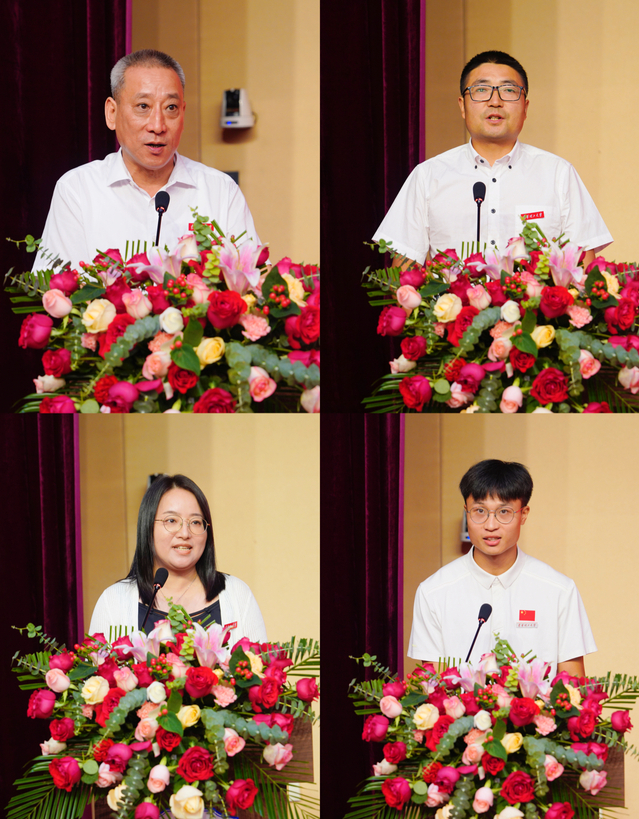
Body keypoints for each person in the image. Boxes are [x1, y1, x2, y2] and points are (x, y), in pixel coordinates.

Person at [373, 50, 612, 267]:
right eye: (481, 90)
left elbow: (584, 272)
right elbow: (403, 279)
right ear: (462, 106)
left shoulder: (559, 174)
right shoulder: (428, 176)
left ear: (525, 107)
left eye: (508, 90)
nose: (495, 101)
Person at [36, 49, 259, 269]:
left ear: (183, 113)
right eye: (143, 107)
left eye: (171, 108)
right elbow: (53, 286)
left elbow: (255, 280)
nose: (158, 126)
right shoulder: (77, 190)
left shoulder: (221, 191)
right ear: (112, 113)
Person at [408, 459, 596, 678]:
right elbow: (433, 686)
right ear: (466, 512)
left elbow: (573, 686)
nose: (491, 525)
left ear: (523, 514)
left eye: (504, 512)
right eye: (479, 511)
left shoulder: (559, 590)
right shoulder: (433, 592)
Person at [89, 473, 267, 644]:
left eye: (195, 522)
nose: (184, 533)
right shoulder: (114, 602)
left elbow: (261, 664)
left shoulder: (237, 595)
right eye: (171, 520)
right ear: (148, 526)